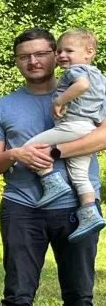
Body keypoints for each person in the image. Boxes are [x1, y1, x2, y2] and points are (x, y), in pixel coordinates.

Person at [0, 28, 100, 306]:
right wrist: (16, 154)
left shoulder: (86, 88)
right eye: (24, 56)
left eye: (41, 53)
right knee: (18, 290)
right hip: (21, 207)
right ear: (17, 62)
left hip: (75, 209)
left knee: (78, 292)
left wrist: (54, 154)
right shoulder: (3, 106)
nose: (34, 61)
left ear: (55, 55)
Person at [24, 28, 106, 237]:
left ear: (89, 52)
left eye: (68, 51)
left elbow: (82, 85)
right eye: (59, 51)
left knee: (30, 148)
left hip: (72, 126)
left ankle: (52, 183)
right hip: (89, 129)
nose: (61, 56)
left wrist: (60, 100)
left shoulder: (74, 72)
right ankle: (89, 213)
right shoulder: (100, 77)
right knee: (79, 174)